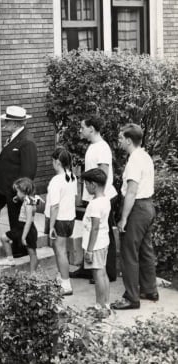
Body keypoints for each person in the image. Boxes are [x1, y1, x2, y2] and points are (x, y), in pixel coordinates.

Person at [0, 106, 37, 258]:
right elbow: (6, 161)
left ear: (16, 123)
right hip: (1, 184)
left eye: (7, 121)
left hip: (15, 188)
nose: (4, 122)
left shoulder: (27, 141)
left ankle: (21, 248)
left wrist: (22, 193)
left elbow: (29, 170)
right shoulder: (14, 137)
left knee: (17, 217)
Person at [111, 123, 158, 311]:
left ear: (129, 140)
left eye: (121, 138)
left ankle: (132, 297)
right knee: (145, 250)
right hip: (148, 206)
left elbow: (131, 192)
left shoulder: (133, 161)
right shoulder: (145, 156)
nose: (119, 141)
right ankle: (149, 289)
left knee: (129, 253)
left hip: (137, 208)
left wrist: (123, 219)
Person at [71, 115, 118, 282]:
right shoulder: (92, 146)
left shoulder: (102, 148)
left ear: (92, 129)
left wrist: (100, 198)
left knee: (103, 232)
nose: (80, 130)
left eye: (83, 127)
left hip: (103, 197)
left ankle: (108, 271)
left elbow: (103, 173)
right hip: (93, 196)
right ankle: (88, 268)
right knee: (88, 229)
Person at [45, 147, 77, 296]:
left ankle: (66, 283)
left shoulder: (56, 181)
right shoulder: (72, 177)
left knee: (60, 250)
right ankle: (60, 277)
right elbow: (74, 198)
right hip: (70, 218)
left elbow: (55, 206)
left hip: (59, 219)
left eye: (52, 161)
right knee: (58, 248)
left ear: (57, 162)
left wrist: (51, 226)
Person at [80, 168, 111, 317]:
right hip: (103, 242)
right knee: (103, 273)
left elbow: (95, 228)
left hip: (95, 245)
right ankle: (106, 304)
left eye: (86, 184)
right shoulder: (105, 199)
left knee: (98, 275)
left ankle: (100, 307)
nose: (86, 187)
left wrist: (89, 250)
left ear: (93, 185)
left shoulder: (95, 205)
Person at [0, 177, 40, 274]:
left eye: (17, 192)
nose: (16, 194)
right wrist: (18, 198)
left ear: (24, 192)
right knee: (31, 252)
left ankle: (33, 273)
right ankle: (11, 260)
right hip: (23, 227)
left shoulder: (28, 203)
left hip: (25, 228)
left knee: (32, 253)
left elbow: (28, 221)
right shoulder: (31, 199)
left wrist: (23, 237)